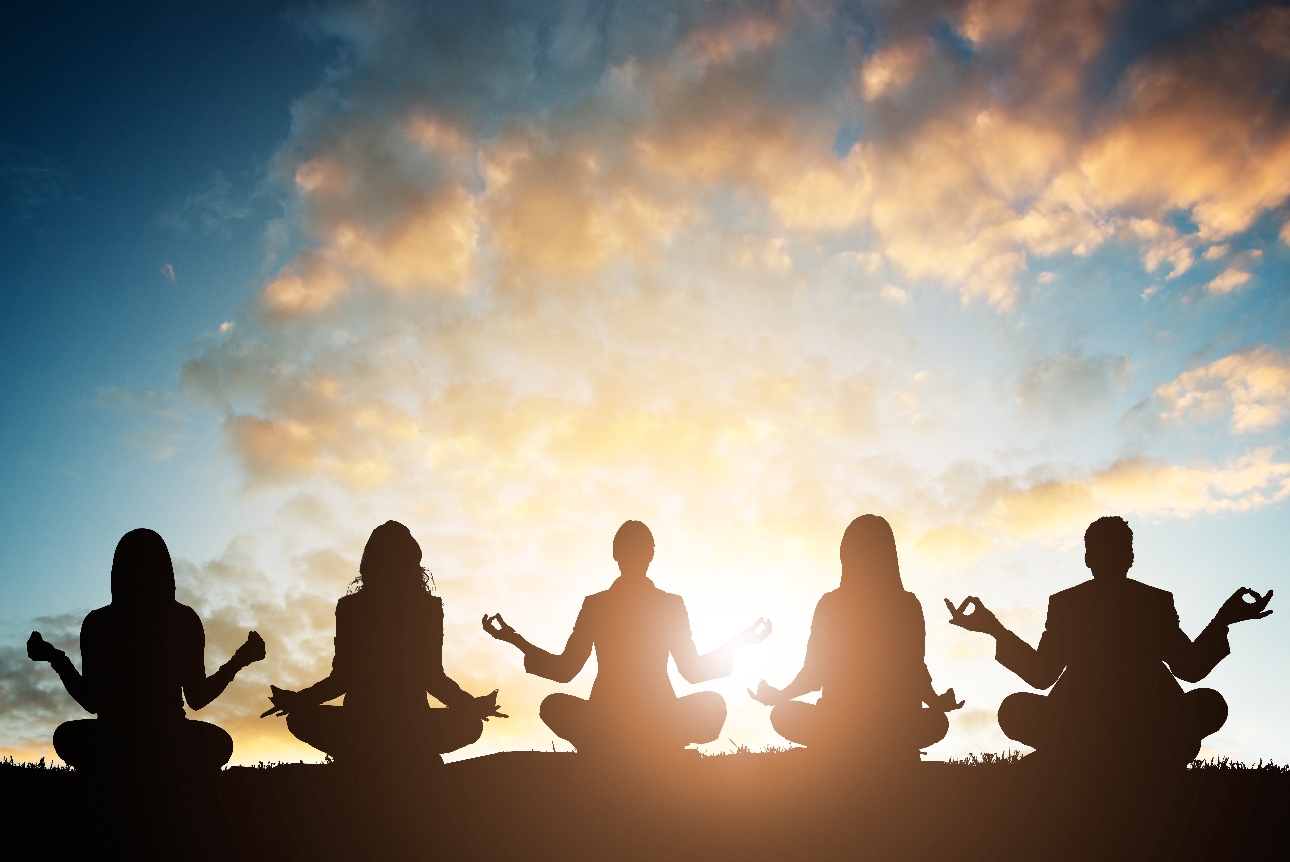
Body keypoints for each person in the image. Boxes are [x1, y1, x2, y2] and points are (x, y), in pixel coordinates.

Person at [946, 515, 1274, 768]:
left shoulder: (1076, 603)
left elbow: (1040, 674)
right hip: (1130, 725)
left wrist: (995, 629)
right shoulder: (1147, 601)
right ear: (1128, 557)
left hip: (1107, 723)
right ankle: (1133, 756)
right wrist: (1223, 620)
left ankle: (1076, 756)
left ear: (1090, 558)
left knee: (1015, 709)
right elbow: (1190, 668)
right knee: (1208, 705)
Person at [482, 519, 771, 756]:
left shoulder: (601, 604)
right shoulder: (663, 604)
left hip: (616, 719)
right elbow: (692, 671)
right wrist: (740, 642)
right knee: (714, 705)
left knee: (552, 705)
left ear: (615, 554)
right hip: (651, 719)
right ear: (651, 554)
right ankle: (655, 745)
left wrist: (513, 638)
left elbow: (564, 670)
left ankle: (610, 746)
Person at [264, 521, 505, 768]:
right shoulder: (423, 608)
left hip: (362, 727)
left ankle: (363, 754)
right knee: (470, 725)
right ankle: (412, 754)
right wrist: (471, 706)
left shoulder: (353, 608)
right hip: (405, 727)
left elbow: (342, 679)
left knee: (299, 719)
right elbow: (432, 677)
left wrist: (299, 702)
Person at [26, 528, 265, 774]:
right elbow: (197, 697)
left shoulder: (99, 622)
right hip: (168, 740)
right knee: (219, 743)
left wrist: (54, 657)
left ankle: (119, 770)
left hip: (114, 740)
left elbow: (91, 701)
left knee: (66, 736)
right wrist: (240, 659)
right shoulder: (183, 619)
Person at [748, 515, 962, 761]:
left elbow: (814, 673)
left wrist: (779, 696)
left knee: (782, 714)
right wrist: (935, 702)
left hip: (840, 724)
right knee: (936, 722)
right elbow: (915, 670)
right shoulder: (908, 605)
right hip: (894, 727)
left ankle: (839, 746)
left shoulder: (832, 604)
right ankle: (886, 747)